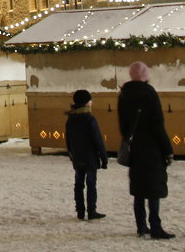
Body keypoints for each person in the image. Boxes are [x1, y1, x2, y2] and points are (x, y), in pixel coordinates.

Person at [118, 62, 175, 240]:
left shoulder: (123, 95)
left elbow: (123, 125)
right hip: (152, 146)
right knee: (153, 188)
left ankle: (141, 227)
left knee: (139, 189)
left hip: (135, 146)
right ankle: (156, 226)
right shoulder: (150, 94)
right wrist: (167, 149)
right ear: (146, 74)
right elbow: (158, 125)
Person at [65, 89, 107, 221]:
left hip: (77, 157)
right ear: (86, 103)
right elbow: (97, 140)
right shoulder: (90, 119)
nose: (92, 102)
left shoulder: (71, 119)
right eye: (90, 100)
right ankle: (92, 210)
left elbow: (68, 139)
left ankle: (80, 211)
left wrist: (71, 153)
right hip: (90, 158)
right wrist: (104, 158)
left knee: (78, 184)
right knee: (91, 184)